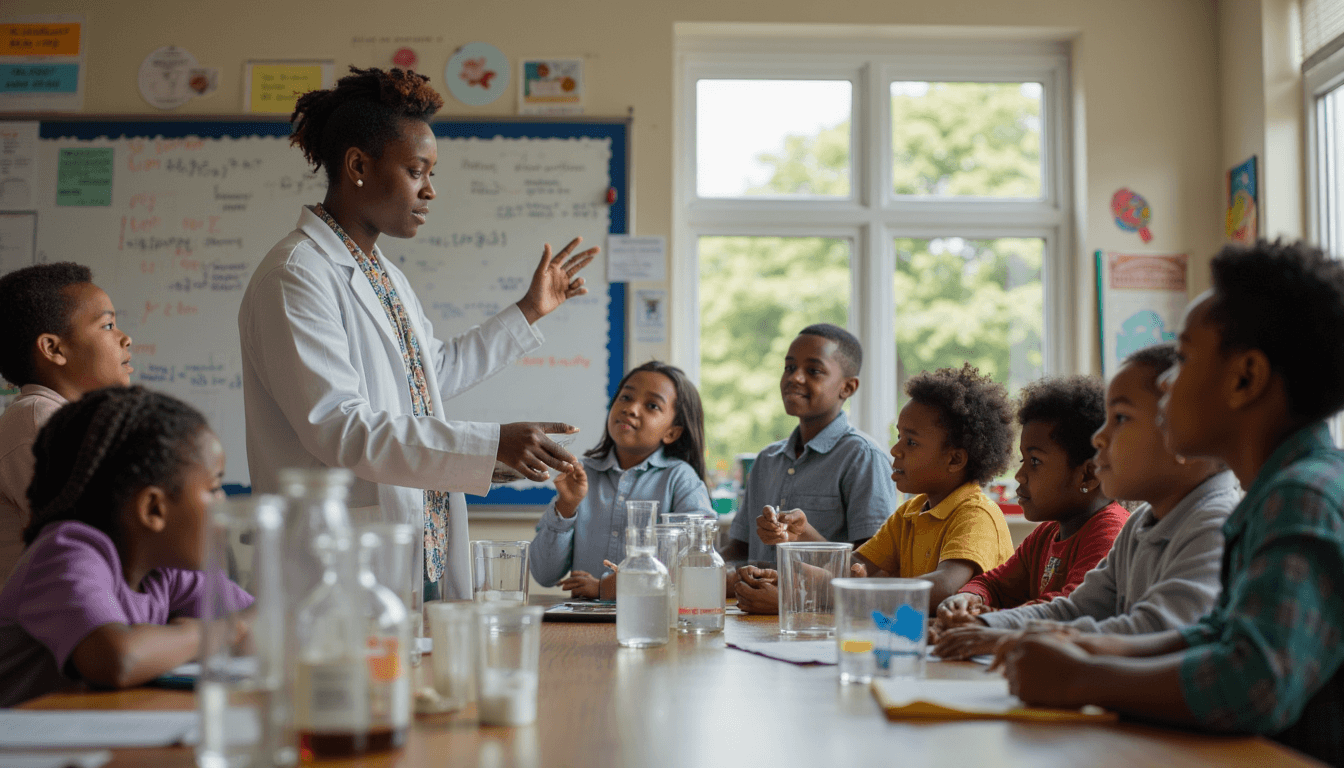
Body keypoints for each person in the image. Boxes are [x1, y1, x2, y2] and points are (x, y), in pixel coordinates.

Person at [239, 67, 597, 601]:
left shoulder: (383, 274)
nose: (429, 190)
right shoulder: (296, 274)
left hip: (414, 541)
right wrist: (489, 442)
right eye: (416, 170)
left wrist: (528, 311)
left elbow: (431, 378)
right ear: (358, 165)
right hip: (339, 561)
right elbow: (339, 428)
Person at [1000, 241, 1344, 767]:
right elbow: (1212, 635)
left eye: (1182, 358)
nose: (1164, 381)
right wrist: (1085, 647)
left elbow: (1253, 681)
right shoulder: (1272, 495)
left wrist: (1083, 677)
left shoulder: (1304, 495)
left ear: (1244, 378)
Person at [935, 344, 1237, 660]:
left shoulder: (1216, 524)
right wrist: (983, 624)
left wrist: (1003, 635)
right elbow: (1076, 608)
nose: (1099, 438)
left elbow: (1155, 630)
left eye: (1121, 418)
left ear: (1184, 430)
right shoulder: (1141, 523)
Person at [0, 387, 251, 707]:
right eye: (214, 488)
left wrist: (236, 628)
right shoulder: (63, 554)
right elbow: (118, 660)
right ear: (153, 510)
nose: (224, 503)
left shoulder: (164, 573)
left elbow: (261, 618)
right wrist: (209, 635)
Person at [722, 324, 896, 614]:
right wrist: (708, 568)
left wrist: (791, 594)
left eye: (813, 371)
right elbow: (738, 551)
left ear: (848, 387)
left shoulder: (863, 458)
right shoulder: (767, 460)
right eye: (789, 367)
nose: (795, 378)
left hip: (818, 621)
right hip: (751, 616)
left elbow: (870, 570)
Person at [932, 376, 1129, 631]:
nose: (1020, 475)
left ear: (1088, 475)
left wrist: (985, 619)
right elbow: (993, 584)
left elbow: (1069, 608)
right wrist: (969, 599)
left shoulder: (1110, 533)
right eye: (1023, 460)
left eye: (1034, 461)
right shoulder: (1046, 534)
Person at [529, 361, 712, 599]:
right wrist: (566, 507)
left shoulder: (680, 478)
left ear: (672, 432)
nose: (631, 409)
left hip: (652, 620)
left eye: (652, 405)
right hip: (583, 624)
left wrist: (605, 589)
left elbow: (698, 563)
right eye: (625, 398)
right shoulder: (582, 476)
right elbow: (544, 574)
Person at [0, 263, 133, 584]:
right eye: (107, 325)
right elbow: (99, 536)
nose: (125, 338)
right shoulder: (37, 420)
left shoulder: (72, 420)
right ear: (53, 348)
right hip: (44, 625)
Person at [847, 363, 1015, 608]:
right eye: (899, 437)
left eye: (911, 442)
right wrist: (789, 578)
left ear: (955, 459)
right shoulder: (909, 513)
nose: (895, 450)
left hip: (973, 643)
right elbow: (855, 564)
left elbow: (946, 587)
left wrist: (866, 591)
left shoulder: (975, 515)